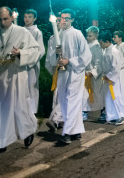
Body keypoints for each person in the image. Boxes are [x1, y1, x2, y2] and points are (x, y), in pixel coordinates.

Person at [0, 6, 40, 153]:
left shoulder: (22, 32)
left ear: (12, 17)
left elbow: (36, 51)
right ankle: (0, 144)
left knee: (20, 107)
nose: (2, 22)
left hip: (16, 74)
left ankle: (28, 130)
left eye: (5, 19)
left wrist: (21, 53)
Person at [46, 9, 92, 146]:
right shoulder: (55, 37)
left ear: (72, 20)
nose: (63, 21)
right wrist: (56, 56)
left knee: (71, 101)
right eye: (61, 18)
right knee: (65, 102)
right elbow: (50, 57)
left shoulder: (76, 34)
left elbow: (86, 55)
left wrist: (69, 61)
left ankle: (67, 132)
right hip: (62, 73)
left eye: (67, 18)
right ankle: (76, 131)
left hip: (75, 73)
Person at [98, 32, 124, 126]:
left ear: (107, 41)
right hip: (108, 78)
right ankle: (112, 116)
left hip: (114, 79)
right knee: (109, 97)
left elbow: (116, 67)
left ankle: (120, 115)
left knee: (116, 96)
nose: (100, 45)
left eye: (101, 43)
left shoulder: (114, 51)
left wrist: (109, 76)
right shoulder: (107, 50)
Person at [23, 9, 45, 115]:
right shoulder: (19, 30)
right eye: (25, 16)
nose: (27, 19)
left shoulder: (37, 32)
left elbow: (41, 50)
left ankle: (32, 112)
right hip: (20, 63)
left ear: (35, 18)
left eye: (30, 17)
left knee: (31, 87)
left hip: (31, 65)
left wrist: (30, 59)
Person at [83, 26, 104, 120]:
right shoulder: (86, 45)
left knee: (97, 93)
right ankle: (84, 111)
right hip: (85, 74)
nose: (88, 37)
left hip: (94, 75)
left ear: (96, 36)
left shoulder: (97, 47)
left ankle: (103, 111)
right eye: (87, 35)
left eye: (90, 36)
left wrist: (93, 72)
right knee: (85, 94)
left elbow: (98, 62)